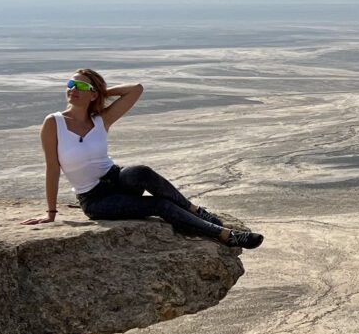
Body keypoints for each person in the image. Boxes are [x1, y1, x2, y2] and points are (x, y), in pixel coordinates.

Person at [32, 67, 263, 248]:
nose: (72, 89)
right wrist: (50, 213)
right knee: (159, 205)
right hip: (96, 200)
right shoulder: (54, 123)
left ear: (93, 94)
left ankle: (195, 211)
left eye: (80, 85)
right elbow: (52, 168)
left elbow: (136, 89)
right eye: (70, 84)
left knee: (140, 171)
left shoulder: (101, 120)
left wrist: (102, 93)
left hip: (116, 179)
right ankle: (226, 236)